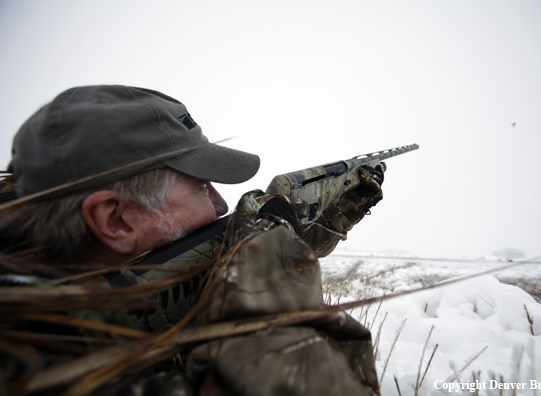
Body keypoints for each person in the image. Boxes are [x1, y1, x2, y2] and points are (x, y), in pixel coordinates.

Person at [0, 85, 384, 395]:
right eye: (201, 186)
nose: (220, 204)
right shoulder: (41, 367)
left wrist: (327, 220)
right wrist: (269, 284)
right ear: (115, 220)